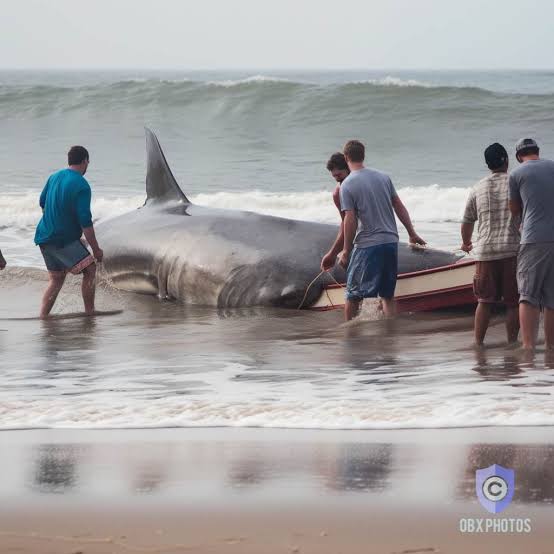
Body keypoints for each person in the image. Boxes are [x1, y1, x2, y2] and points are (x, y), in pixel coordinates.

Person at [336, 140, 426, 321]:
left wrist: (346, 251)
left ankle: (350, 338)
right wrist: (411, 233)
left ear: (346, 158)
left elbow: (350, 219)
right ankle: (389, 333)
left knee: (353, 295)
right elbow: (399, 206)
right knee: (387, 295)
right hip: (391, 242)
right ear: (363, 155)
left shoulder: (347, 184)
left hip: (368, 245)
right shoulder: (384, 177)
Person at [461, 143, 520, 346]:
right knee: (513, 303)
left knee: (484, 301)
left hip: (485, 251)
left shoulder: (478, 187)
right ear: (506, 160)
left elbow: (468, 220)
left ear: (488, 164)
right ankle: (512, 342)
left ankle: (478, 343)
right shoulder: (515, 182)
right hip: (512, 250)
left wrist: (466, 242)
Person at [34, 146, 103, 319]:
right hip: (61, 240)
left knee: (56, 279)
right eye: (88, 162)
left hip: (43, 236)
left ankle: (43, 316)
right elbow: (85, 221)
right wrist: (96, 250)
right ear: (85, 161)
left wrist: (55, 222)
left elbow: (42, 202)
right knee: (90, 269)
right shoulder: (82, 185)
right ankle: (90, 312)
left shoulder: (54, 177)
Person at [509, 138, 554, 350]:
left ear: (519, 157)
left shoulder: (516, 174)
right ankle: (551, 347)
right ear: (537, 151)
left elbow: (514, 209)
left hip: (534, 238)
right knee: (551, 297)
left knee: (527, 295)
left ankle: (528, 348)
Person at [321, 152, 350, 272]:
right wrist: (336, 252)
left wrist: (333, 253)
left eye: (339, 175)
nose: (337, 179)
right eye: (334, 177)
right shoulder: (338, 193)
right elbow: (346, 222)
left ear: (349, 168)